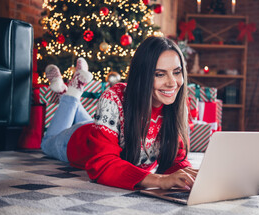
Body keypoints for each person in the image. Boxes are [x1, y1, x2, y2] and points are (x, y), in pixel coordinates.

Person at [41, 36, 197, 191]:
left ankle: (66, 92)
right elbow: (104, 165)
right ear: (142, 75)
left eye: (177, 72)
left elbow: (175, 160)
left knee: (95, 123)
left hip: (104, 129)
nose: (172, 83)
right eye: (159, 74)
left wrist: (188, 175)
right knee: (47, 143)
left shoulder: (174, 103)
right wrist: (159, 180)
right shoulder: (113, 97)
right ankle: (70, 94)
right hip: (76, 140)